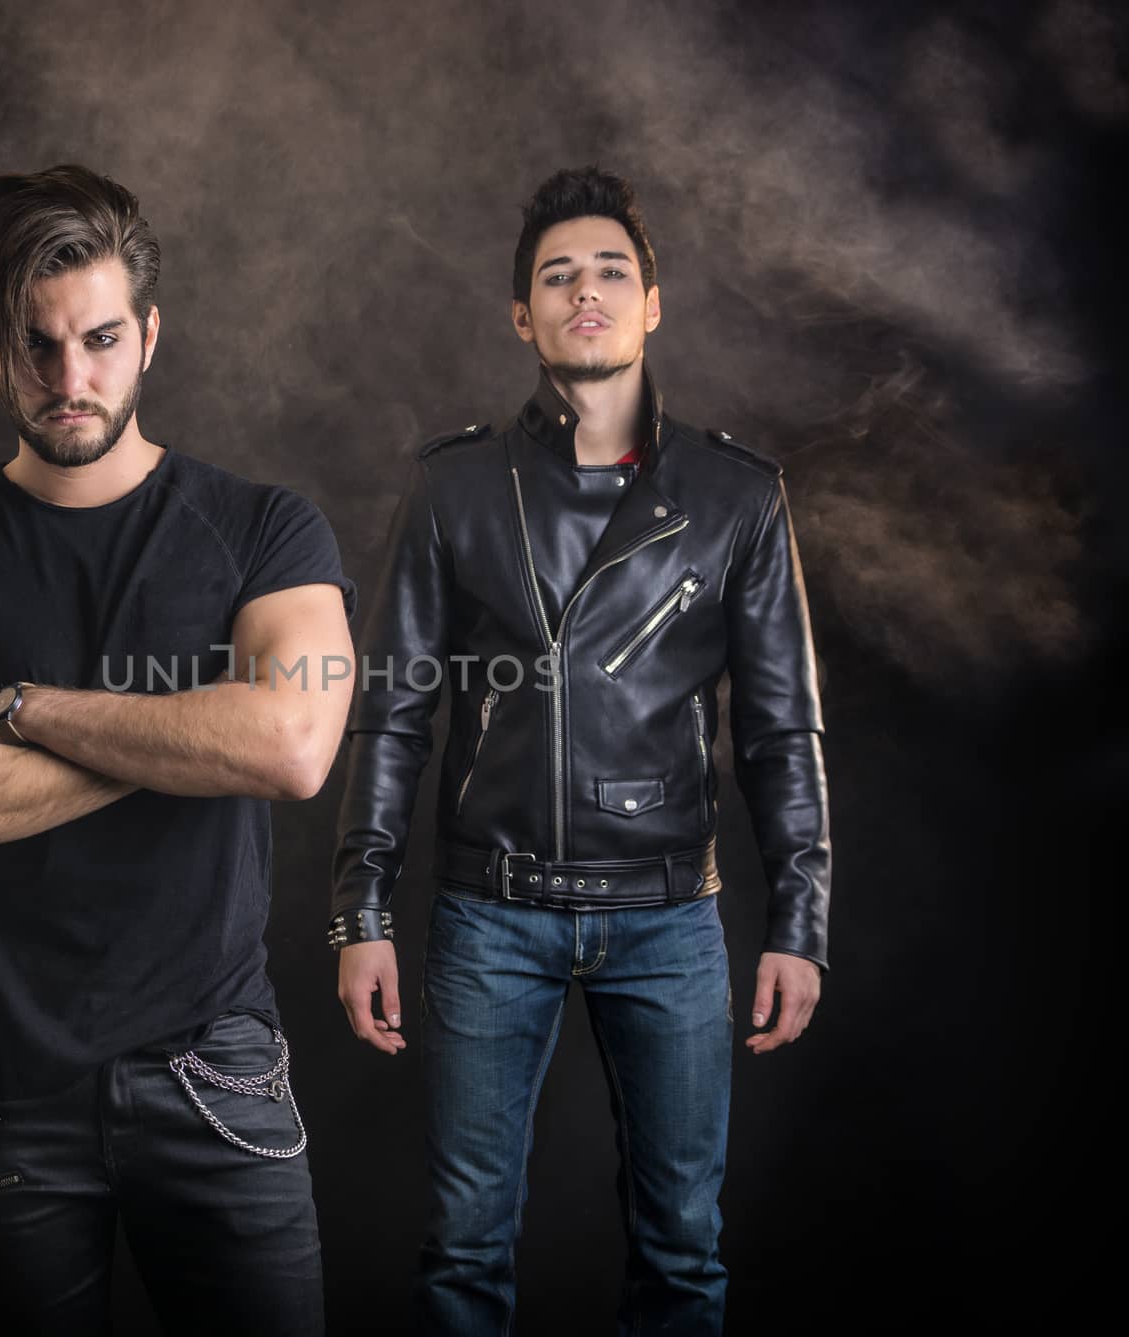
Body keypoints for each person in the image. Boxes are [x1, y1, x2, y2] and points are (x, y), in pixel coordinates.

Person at [0, 163, 354, 1336]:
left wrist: (18, 707)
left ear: (151, 333)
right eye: (36, 346)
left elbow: (289, 743)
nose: (71, 379)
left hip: (213, 1071)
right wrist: (190, 734)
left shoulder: (267, 530)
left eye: (102, 338)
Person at [329, 166, 831, 1335]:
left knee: (685, 1251)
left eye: (611, 271)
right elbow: (393, 708)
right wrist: (359, 910)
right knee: (461, 1255)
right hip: (488, 912)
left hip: (668, 917)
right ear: (523, 316)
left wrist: (799, 922)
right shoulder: (453, 487)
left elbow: (780, 727)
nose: (585, 291)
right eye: (558, 276)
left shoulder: (735, 495)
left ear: (653, 301)